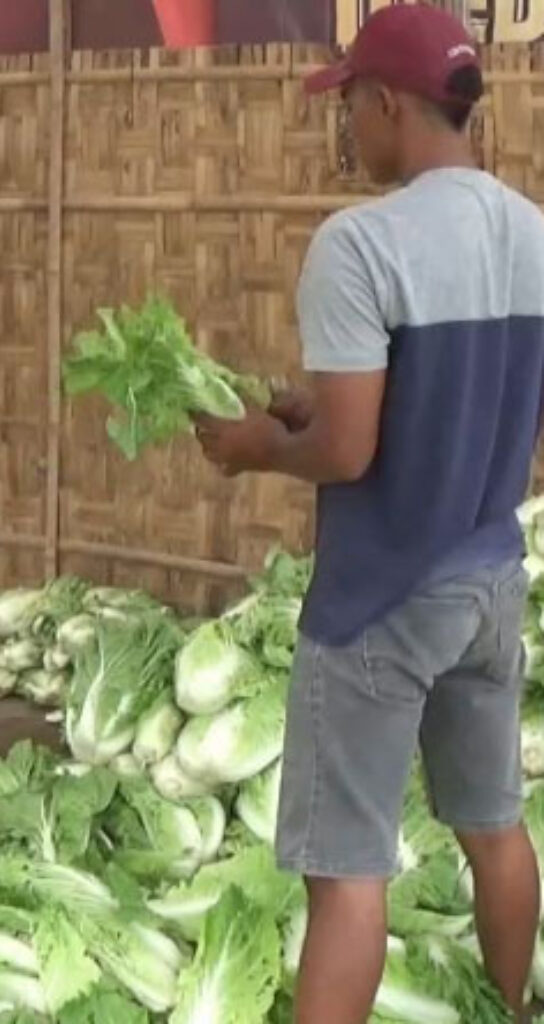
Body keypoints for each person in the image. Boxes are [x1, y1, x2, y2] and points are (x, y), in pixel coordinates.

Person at [194, 5, 544, 1022]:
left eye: (349, 105)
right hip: (485, 578)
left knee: (346, 872)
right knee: (493, 825)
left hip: (378, 600)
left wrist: (256, 444)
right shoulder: (532, 233)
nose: (345, 127)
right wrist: (322, 414)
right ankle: (511, 1010)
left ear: (388, 103)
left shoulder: (357, 244)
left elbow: (346, 451)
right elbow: (482, 406)